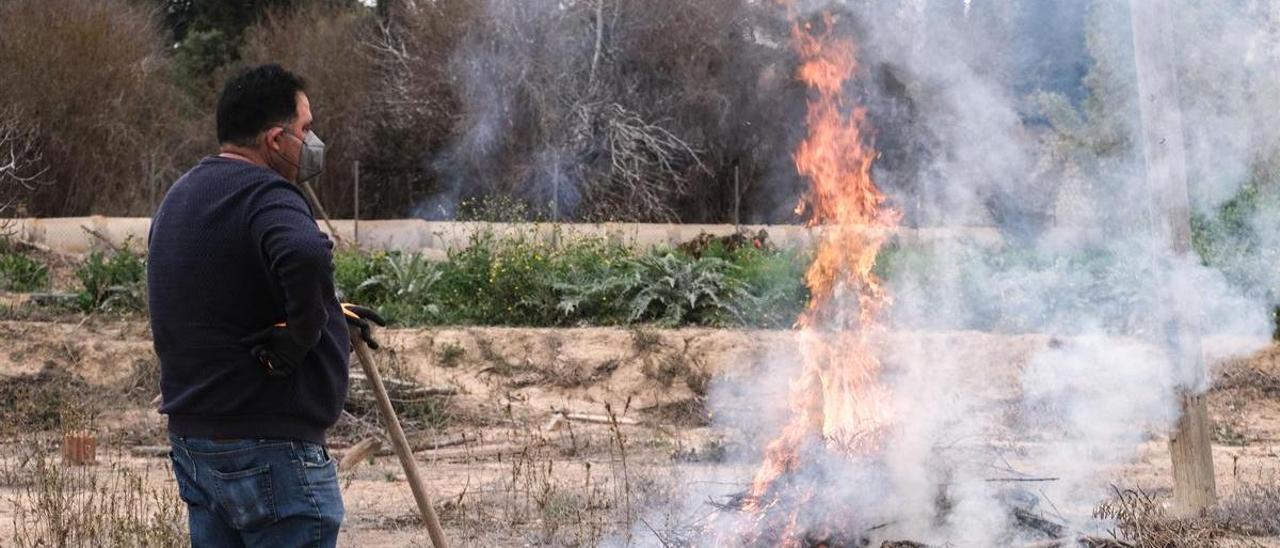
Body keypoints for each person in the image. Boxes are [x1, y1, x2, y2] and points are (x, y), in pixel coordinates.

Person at [148, 64, 380, 547]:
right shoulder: (269, 193)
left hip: (197, 442)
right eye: (306, 129)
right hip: (269, 449)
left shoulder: (182, 195)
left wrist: (326, 310)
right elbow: (305, 253)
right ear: (276, 139)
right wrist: (299, 338)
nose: (312, 142)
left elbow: (226, 291)